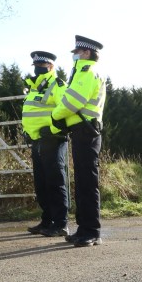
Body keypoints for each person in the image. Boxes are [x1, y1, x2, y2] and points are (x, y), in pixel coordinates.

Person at [42, 35, 106, 248]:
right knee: (82, 183)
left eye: (77, 52)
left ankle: (91, 231)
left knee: (87, 183)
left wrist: (55, 117)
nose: (75, 56)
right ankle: (84, 229)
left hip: (86, 133)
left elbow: (71, 101)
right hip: (81, 132)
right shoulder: (81, 73)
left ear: (86, 53)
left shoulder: (87, 73)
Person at [22, 51, 69, 236]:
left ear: (50, 66)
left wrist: (52, 130)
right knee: (41, 184)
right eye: (36, 66)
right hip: (37, 140)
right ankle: (47, 221)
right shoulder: (34, 87)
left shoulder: (57, 85)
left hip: (53, 140)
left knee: (55, 182)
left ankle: (61, 224)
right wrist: (28, 132)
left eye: (42, 66)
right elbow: (31, 112)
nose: (38, 69)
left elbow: (65, 110)